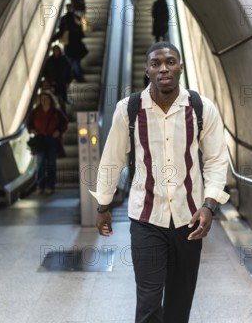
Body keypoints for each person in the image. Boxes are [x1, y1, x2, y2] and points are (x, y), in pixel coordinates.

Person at [92, 41, 229, 323]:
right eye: (156, 63)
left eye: (169, 62)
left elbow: (216, 159)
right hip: (146, 219)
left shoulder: (201, 108)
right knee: (149, 302)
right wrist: (103, 205)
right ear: (147, 70)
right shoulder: (128, 110)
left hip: (189, 220)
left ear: (180, 67)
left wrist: (209, 205)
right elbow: (111, 160)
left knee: (180, 302)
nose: (163, 68)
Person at [27, 90, 68, 195]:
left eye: (46, 98)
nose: (44, 101)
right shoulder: (36, 111)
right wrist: (32, 130)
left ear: (50, 99)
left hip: (52, 140)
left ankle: (50, 186)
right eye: (42, 99)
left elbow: (65, 123)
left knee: (51, 163)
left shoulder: (55, 111)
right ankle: (40, 186)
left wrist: (58, 131)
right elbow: (29, 124)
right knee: (40, 163)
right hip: (40, 140)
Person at [52, 3, 88, 82]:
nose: (70, 9)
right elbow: (62, 31)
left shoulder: (73, 18)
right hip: (73, 44)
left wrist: (53, 39)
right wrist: (53, 39)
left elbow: (82, 29)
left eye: (71, 7)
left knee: (75, 60)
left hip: (73, 44)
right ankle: (78, 75)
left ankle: (77, 74)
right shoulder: (70, 18)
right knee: (75, 60)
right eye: (68, 8)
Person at [42, 44, 72, 111]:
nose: (56, 52)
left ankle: (63, 113)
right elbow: (44, 71)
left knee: (62, 99)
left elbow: (69, 70)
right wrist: (49, 80)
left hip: (62, 83)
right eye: (54, 50)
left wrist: (68, 81)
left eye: (57, 50)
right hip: (53, 83)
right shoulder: (50, 60)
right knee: (55, 99)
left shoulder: (64, 59)